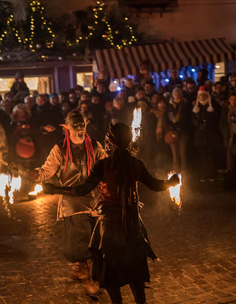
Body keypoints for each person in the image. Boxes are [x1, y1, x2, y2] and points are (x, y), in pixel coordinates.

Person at [43, 122, 180, 304]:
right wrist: (171, 182)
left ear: (109, 141)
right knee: (135, 267)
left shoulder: (103, 165)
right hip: (132, 223)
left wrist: (54, 189)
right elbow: (156, 185)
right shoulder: (136, 164)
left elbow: (81, 190)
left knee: (110, 270)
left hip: (109, 226)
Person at [32, 110, 106, 297]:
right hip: (72, 202)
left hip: (95, 200)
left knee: (96, 240)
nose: (80, 130)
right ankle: (85, 277)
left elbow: (107, 164)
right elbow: (47, 170)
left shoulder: (95, 146)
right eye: (76, 126)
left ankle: (84, 271)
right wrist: (36, 174)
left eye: (82, 126)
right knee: (80, 240)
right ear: (67, 128)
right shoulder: (60, 149)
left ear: (86, 125)